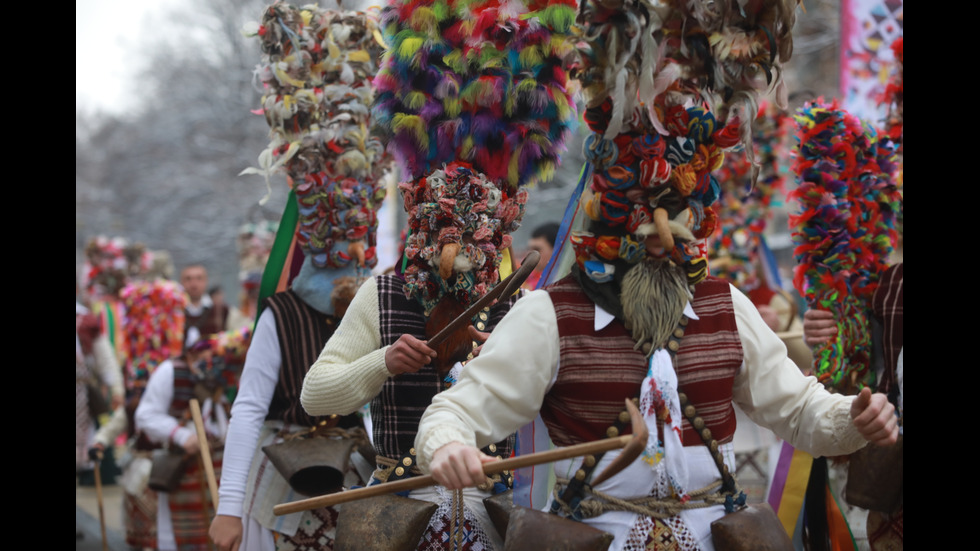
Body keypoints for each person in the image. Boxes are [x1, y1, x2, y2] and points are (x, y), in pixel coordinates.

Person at [413, 2, 897, 549]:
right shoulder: (552, 315)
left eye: (679, 209)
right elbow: (455, 410)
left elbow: (802, 412)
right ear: (607, 209)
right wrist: (450, 445)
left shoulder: (724, 306)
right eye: (642, 210)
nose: (664, 233)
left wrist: (857, 416)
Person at [209, 5, 389, 550]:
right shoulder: (283, 314)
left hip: (357, 483)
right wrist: (229, 508)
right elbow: (248, 410)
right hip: (280, 490)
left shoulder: (380, 304)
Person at [135, 337, 232, 551]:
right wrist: (181, 436)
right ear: (190, 354)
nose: (210, 360)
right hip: (181, 467)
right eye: (204, 354)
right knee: (179, 536)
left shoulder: (223, 376)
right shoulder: (169, 371)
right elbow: (145, 415)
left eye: (213, 355)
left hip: (219, 468)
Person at [181, 263, 228, 347]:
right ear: (181, 282)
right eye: (188, 279)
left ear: (206, 281)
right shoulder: (173, 312)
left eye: (199, 278)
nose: (193, 283)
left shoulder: (223, 310)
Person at [523, 222, 560, 291]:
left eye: (537, 249)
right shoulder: (524, 279)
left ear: (556, 250)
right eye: (529, 249)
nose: (529, 254)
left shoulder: (562, 283)